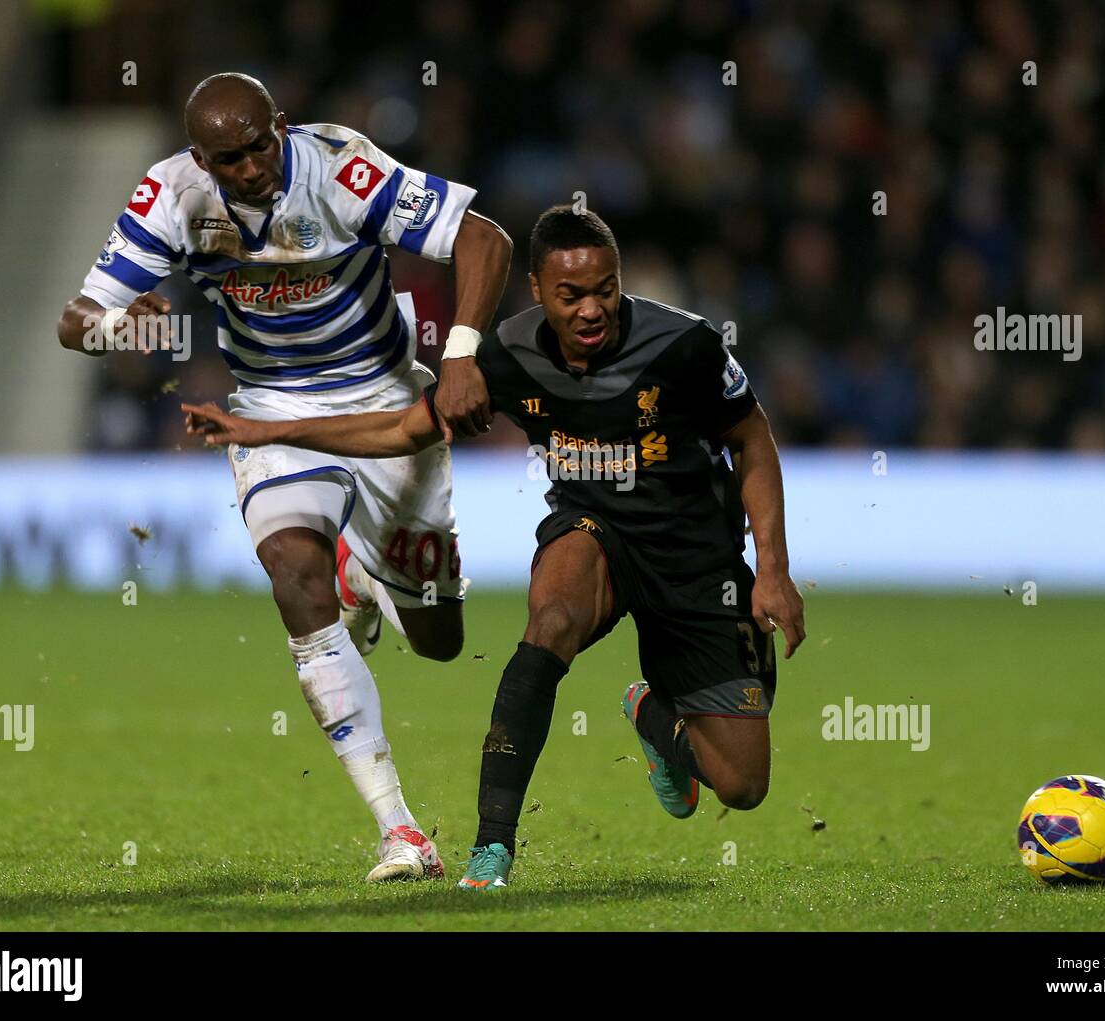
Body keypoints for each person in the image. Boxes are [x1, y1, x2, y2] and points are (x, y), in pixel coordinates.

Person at [181, 205, 805, 892]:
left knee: (742, 787)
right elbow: (403, 430)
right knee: (550, 623)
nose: (592, 309)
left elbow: (753, 439)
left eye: (606, 288)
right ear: (538, 288)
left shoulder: (684, 346)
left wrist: (771, 571)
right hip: (594, 530)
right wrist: (270, 432)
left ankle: (651, 714)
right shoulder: (508, 356)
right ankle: (492, 849)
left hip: (697, 562)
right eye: (572, 295)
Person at [57, 72, 513, 882]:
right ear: (202, 157)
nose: (250, 168)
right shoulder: (171, 193)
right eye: (228, 158)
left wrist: (465, 352)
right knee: (292, 576)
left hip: (389, 405)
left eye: (261, 146)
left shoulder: (341, 168)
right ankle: (400, 830)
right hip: (269, 414)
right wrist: (124, 327)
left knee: (441, 641)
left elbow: (486, 238)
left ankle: (368, 578)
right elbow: (76, 323)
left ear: (283, 127)